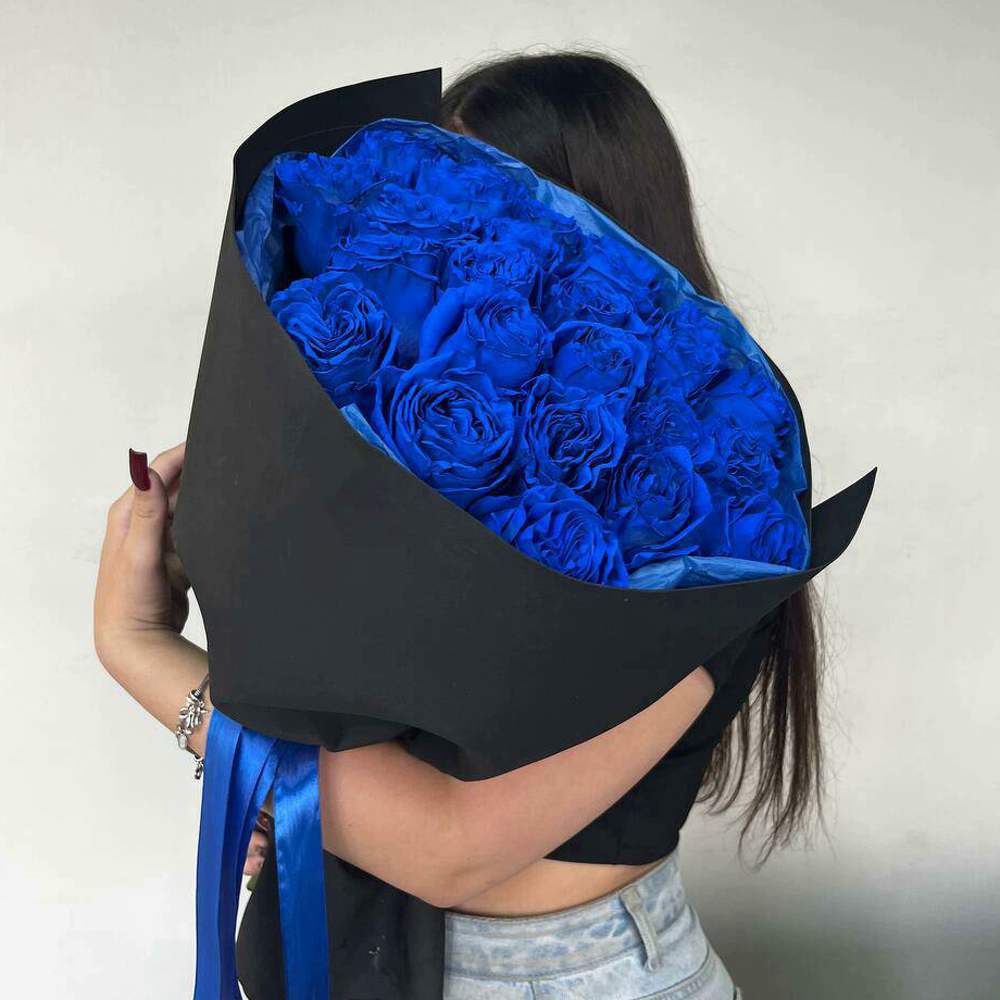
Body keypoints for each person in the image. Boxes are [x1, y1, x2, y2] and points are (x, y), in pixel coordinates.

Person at [94, 51, 826, 1000]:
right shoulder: (424, 473)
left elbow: (449, 849)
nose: (451, 243)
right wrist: (302, 799)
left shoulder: (715, 526)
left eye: (491, 209)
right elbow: (380, 759)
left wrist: (140, 648)